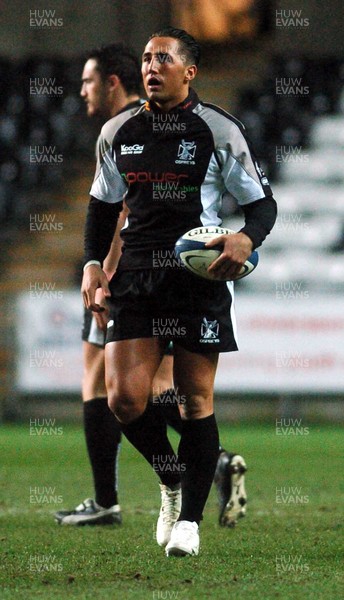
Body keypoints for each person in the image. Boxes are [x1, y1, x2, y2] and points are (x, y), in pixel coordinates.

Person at [58, 39, 249, 540]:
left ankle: (187, 521)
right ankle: (174, 480)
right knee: (124, 398)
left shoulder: (216, 129)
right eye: (146, 58)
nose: (151, 66)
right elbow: (103, 209)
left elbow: (260, 202)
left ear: (190, 72)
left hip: (194, 282)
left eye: (162, 58)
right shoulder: (119, 133)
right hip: (136, 279)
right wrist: (93, 265)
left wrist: (246, 237)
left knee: (190, 397)